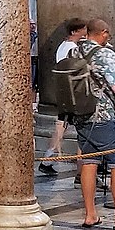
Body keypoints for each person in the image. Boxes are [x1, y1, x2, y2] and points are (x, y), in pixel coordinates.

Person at [71, 19, 115, 230]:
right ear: (102, 33)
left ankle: (90, 214)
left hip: (81, 115)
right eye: (107, 35)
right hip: (104, 115)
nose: (108, 38)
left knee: (89, 161)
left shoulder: (74, 52)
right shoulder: (104, 53)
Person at [39, 17, 87, 175]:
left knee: (61, 127)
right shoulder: (73, 49)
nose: (85, 32)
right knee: (82, 129)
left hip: (64, 92)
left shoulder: (63, 46)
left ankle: (48, 158)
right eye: (82, 29)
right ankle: (83, 168)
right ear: (75, 31)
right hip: (73, 94)